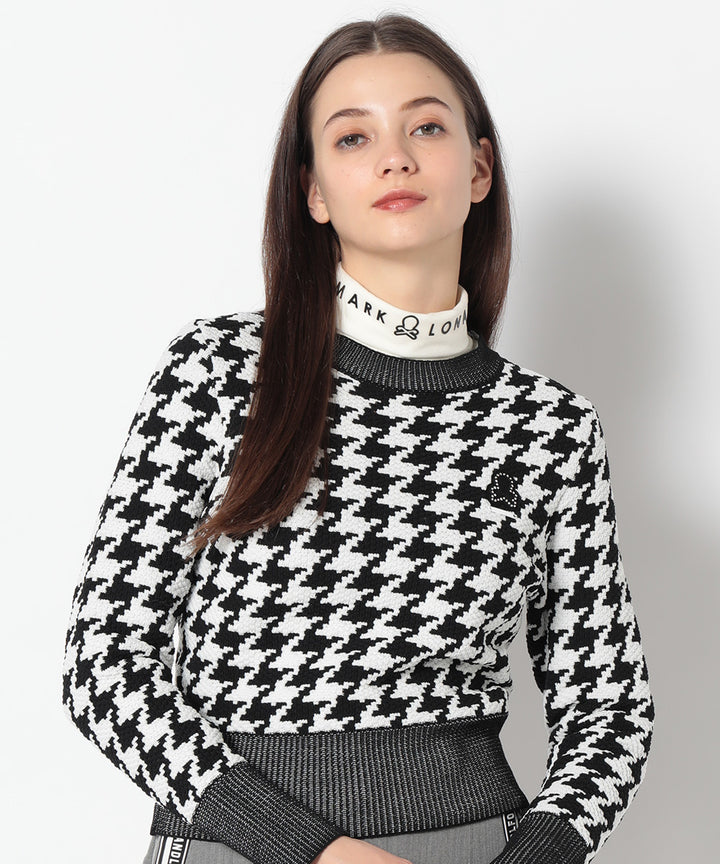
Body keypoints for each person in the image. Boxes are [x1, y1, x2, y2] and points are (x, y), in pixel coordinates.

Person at [61, 13, 654, 864]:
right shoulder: (218, 372)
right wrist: (309, 848)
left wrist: (538, 855)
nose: (395, 158)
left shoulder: (549, 427)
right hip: (242, 847)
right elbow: (106, 664)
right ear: (313, 191)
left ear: (478, 168)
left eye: (427, 127)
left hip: (477, 845)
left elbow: (609, 702)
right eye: (352, 137)